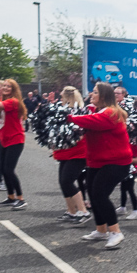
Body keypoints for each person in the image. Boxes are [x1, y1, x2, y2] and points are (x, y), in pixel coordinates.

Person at [69, 81, 131, 250]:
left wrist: (66, 117)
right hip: (97, 161)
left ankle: (116, 232)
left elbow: (91, 121)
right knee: (93, 195)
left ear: (103, 96)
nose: (91, 94)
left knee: (100, 195)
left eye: (95, 92)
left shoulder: (111, 113)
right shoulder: (98, 110)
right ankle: (101, 230)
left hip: (116, 162)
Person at [0, 78, 27, 209]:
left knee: (9, 169)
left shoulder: (13, 102)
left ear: (14, 89)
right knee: (2, 169)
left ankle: (21, 198)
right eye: (5, 86)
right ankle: (10, 196)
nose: (6, 88)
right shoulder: (3, 101)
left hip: (16, 139)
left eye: (9, 87)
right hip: (5, 140)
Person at [53, 86, 90, 223]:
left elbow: (79, 134)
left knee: (67, 181)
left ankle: (83, 211)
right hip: (65, 152)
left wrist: (63, 137)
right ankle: (72, 212)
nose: (60, 99)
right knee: (63, 182)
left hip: (78, 153)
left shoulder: (80, 111)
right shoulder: (60, 111)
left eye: (62, 96)